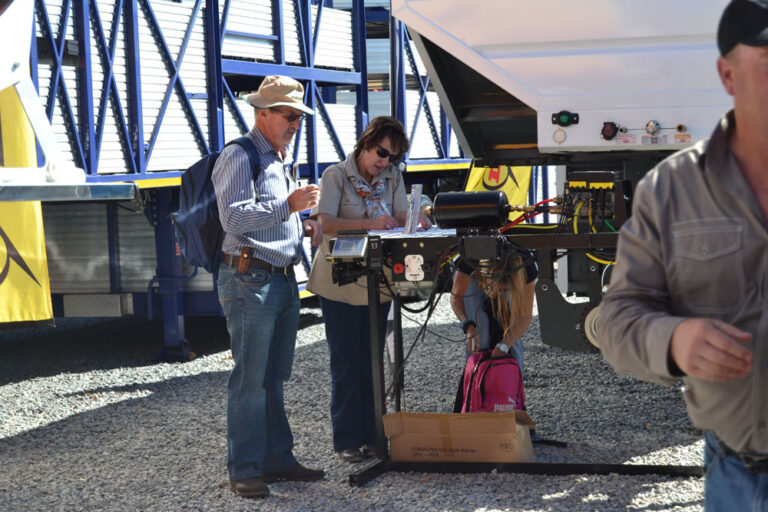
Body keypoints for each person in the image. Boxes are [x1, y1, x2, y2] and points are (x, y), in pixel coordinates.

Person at [595, 1, 768, 509]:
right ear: (727, 74)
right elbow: (616, 321)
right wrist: (674, 340)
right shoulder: (671, 190)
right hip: (736, 477)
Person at [212, 75, 325, 499]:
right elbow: (234, 219)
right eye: (289, 115)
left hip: (276, 277)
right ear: (262, 114)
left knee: (272, 377)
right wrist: (289, 206)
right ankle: (244, 470)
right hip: (250, 279)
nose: (295, 124)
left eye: (299, 117)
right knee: (250, 380)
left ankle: (277, 461)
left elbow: (267, 217)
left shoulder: (276, 157)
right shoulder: (240, 155)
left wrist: (301, 225)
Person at [307, 116, 430, 463]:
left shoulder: (393, 176)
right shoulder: (335, 175)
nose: (384, 161)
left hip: (376, 281)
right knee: (346, 361)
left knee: (372, 361)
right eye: (381, 152)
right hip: (339, 282)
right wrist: (370, 224)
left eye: (392, 156)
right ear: (366, 142)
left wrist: (416, 219)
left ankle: (375, 435)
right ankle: (348, 439)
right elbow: (326, 222)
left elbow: (401, 213)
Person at [450, 252, 536, 380]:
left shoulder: (527, 267)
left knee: (511, 327)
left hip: (512, 273)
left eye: (505, 290)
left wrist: (505, 345)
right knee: (480, 328)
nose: (500, 294)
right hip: (474, 271)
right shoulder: (469, 259)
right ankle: (475, 381)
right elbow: (456, 298)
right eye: (498, 289)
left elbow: (524, 316)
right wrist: (468, 327)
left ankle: (514, 385)